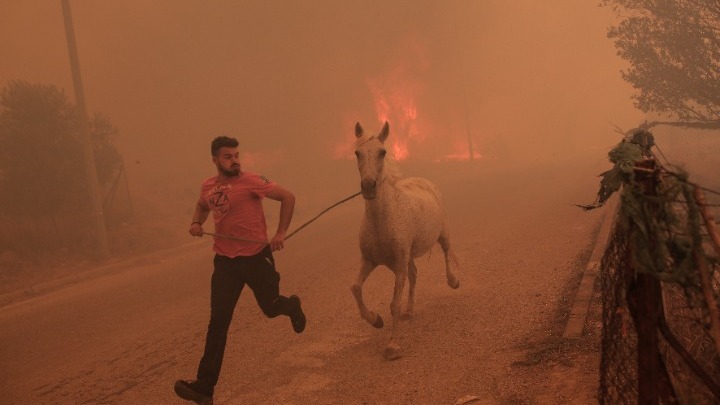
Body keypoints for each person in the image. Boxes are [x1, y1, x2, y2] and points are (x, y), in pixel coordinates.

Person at [174, 136, 306, 405]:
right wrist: (196, 223)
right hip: (225, 262)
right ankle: (204, 388)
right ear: (215, 160)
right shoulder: (208, 187)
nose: (234, 160)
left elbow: (287, 197)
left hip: (257, 257)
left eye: (236, 155)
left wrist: (280, 232)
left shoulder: (252, 181)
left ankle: (291, 306)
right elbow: (201, 206)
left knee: (270, 308)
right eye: (227, 156)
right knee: (219, 322)